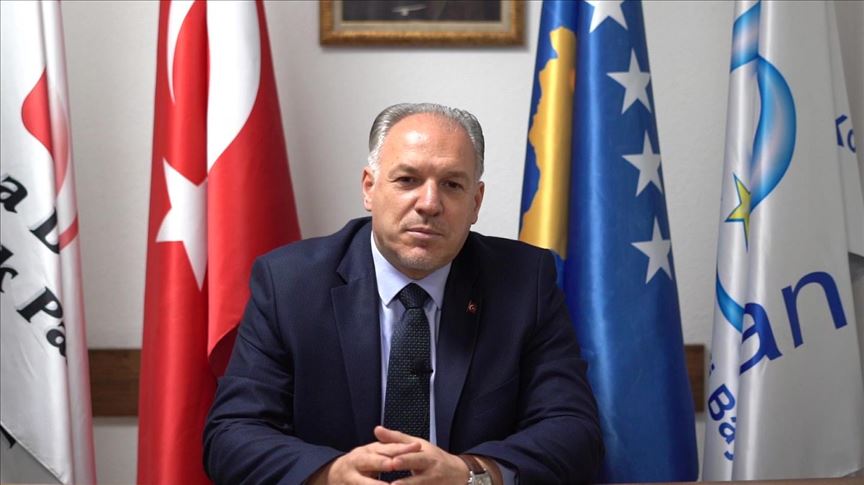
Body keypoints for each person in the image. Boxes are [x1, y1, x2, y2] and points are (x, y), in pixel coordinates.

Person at [203, 103, 603, 484]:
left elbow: (573, 431)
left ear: (475, 202)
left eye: (452, 184)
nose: (429, 204)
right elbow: (232, 433)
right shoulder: (290, 284)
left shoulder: (524, 282)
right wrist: (329, 475)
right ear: (369, 188)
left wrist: (471, 474)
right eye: (408, 180)